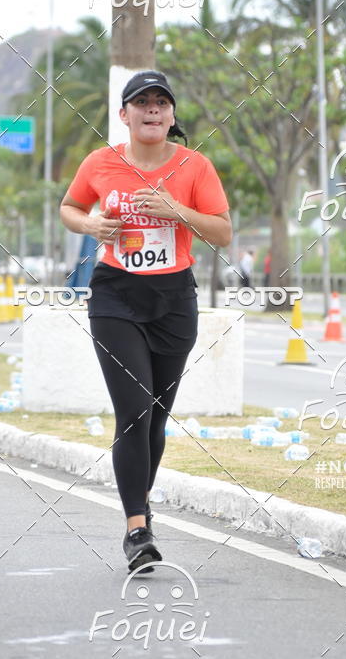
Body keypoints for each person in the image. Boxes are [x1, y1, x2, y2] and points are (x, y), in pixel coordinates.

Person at [60, 70, 231, 571]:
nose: (152, 108)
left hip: (174, 300)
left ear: (172, 115)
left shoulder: (195, 166)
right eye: (141, 102)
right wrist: (90, 223)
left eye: (161, 102)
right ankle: (137, 529)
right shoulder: (100, 162)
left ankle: (141, 499)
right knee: (134, 410)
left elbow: (222, 232)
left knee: (156, 415)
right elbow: (70, 207)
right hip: (115, 295)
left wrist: (177, 210)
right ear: (124, 115)